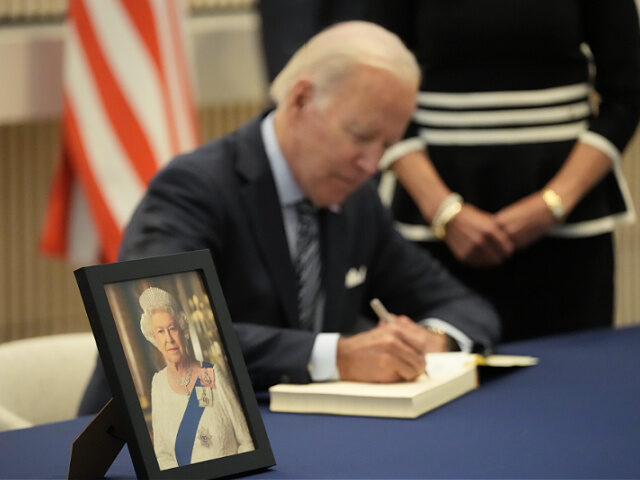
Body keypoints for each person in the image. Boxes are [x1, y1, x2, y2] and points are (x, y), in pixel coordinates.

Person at [79, 21, 500, 414]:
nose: (373, 164)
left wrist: (432, 340)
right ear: (301, 100)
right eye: (361, 136)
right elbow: (157, 337)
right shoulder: (194, 187)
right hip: (161, 436)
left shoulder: (358, 202)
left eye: (387, 145)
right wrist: (337, 356)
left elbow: (464, 306)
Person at [369, 0, 640, 341]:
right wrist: (444, 211)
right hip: (435, 228)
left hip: (568, 235)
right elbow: (373, 88)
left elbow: (627, 96)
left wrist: (552, 204)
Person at [139, 287, 254, 470]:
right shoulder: (158, 384)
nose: (169, 338)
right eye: (160, 332)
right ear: (154, 339)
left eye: (172, 328)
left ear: (183, 331)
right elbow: (162, 455)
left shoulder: (212, 374)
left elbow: (247, 442)